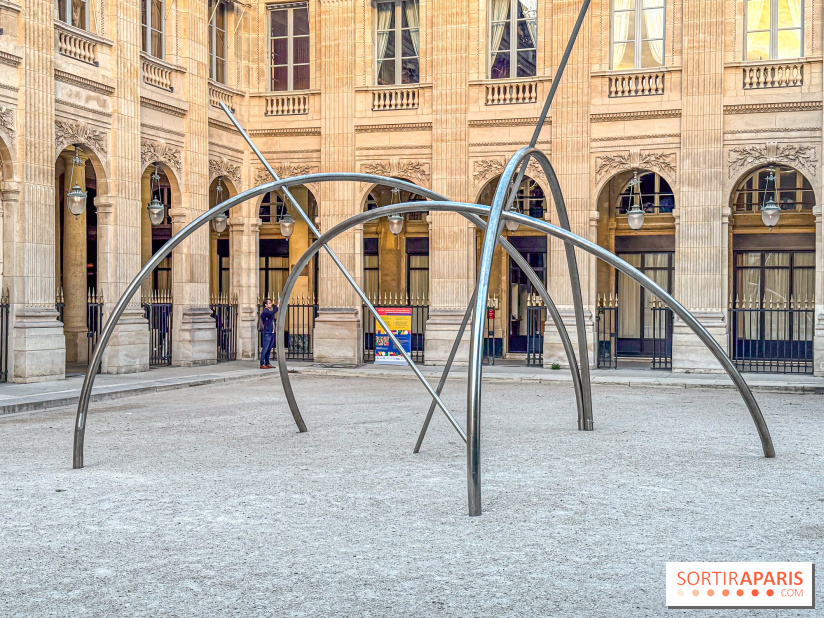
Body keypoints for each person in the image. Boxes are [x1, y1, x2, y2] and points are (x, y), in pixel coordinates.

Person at [259, 299, 278, 369]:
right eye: (269, 303)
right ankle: (262, 363)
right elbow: (274, 312)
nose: (271, 304)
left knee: (269, 348)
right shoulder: (265, 311)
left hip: (271, 332)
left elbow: (272, 318)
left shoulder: (268, 312)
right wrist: (278, 306)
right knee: (265, 348)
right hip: (267, 332)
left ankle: (267, 362)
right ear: (265, 305)